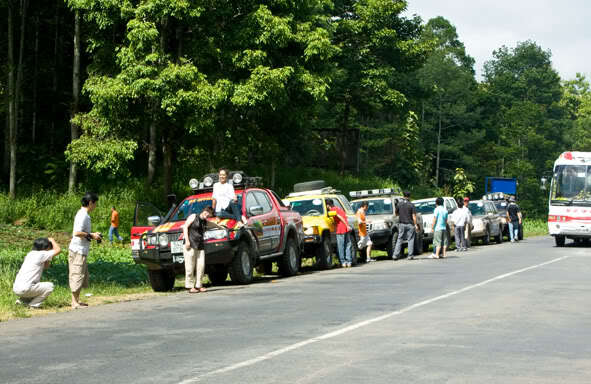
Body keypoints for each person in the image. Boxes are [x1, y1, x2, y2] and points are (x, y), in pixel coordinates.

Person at [69, 192, 101, 309]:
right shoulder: (83, 215)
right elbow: (77, 233)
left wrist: (92, 235)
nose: (95, 206)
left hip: (80, 249)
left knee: (80, 275)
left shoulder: (82, 214)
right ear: (90, 203)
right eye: (95, 203)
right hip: (78, 250)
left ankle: (76, 300)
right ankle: (74, 303)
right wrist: (92, 235)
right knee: (77, 274)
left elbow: (82, 233)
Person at [13, 237, 61, 308]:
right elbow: (58, 250)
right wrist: (52, 240)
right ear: (46, 247)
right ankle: (33, 305)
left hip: (16, 288)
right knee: (49, 286)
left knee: (35, 286)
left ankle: (22, 302)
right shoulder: (42, 254)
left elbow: (46, 266)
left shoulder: (30, 254)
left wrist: (48, 258)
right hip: (25, 288)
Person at [183, 206, 214, 293]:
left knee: (201, 266)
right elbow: (185, 227)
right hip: (191, 244)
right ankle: (190, 286)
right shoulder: (193, 216)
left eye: (209, 215)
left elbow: (213, 225)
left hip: (200, 245)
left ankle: (199, 285)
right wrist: (187, 241)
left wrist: (222, 227)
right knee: (190, 266)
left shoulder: (205, 222)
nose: (207, 215)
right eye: (207, 213)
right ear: (204, 211)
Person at [326, 198, 352, 267]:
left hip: (341, 229)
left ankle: (343, 262)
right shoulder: (338, 208)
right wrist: (347, 226)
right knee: (348, 245)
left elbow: (340, 217)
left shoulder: (332, 210)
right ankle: (349, 261)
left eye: (326, 206)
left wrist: (346, 225)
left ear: (328, 205)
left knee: (341, 246)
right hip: (346, 228)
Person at [393, 191, 419, 260]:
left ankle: (395, 255)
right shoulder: (411, 205)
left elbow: (396, 214)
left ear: (403, 196)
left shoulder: (399, 204)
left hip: (401, 224)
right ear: (409, 196)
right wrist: (415, 225)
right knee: (410, 239)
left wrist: (400, 215)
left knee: (399, 239)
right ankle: (410, 255)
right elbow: (414, 216)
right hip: (410, 224)